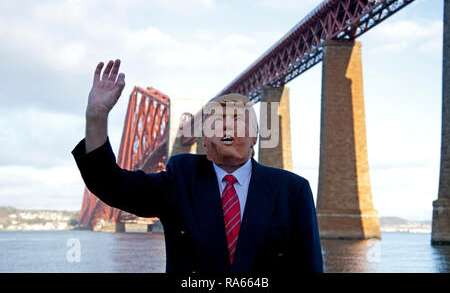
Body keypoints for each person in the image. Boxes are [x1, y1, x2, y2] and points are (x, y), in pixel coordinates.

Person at [71, 59, 323, 273]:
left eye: (237, 119)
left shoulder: (293, 191)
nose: (226, 127)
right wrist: (96, 117)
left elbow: (310, 266)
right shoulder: (179, 179)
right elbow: (110, 184)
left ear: (256, 135)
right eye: (217, 121)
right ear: (204, 138)